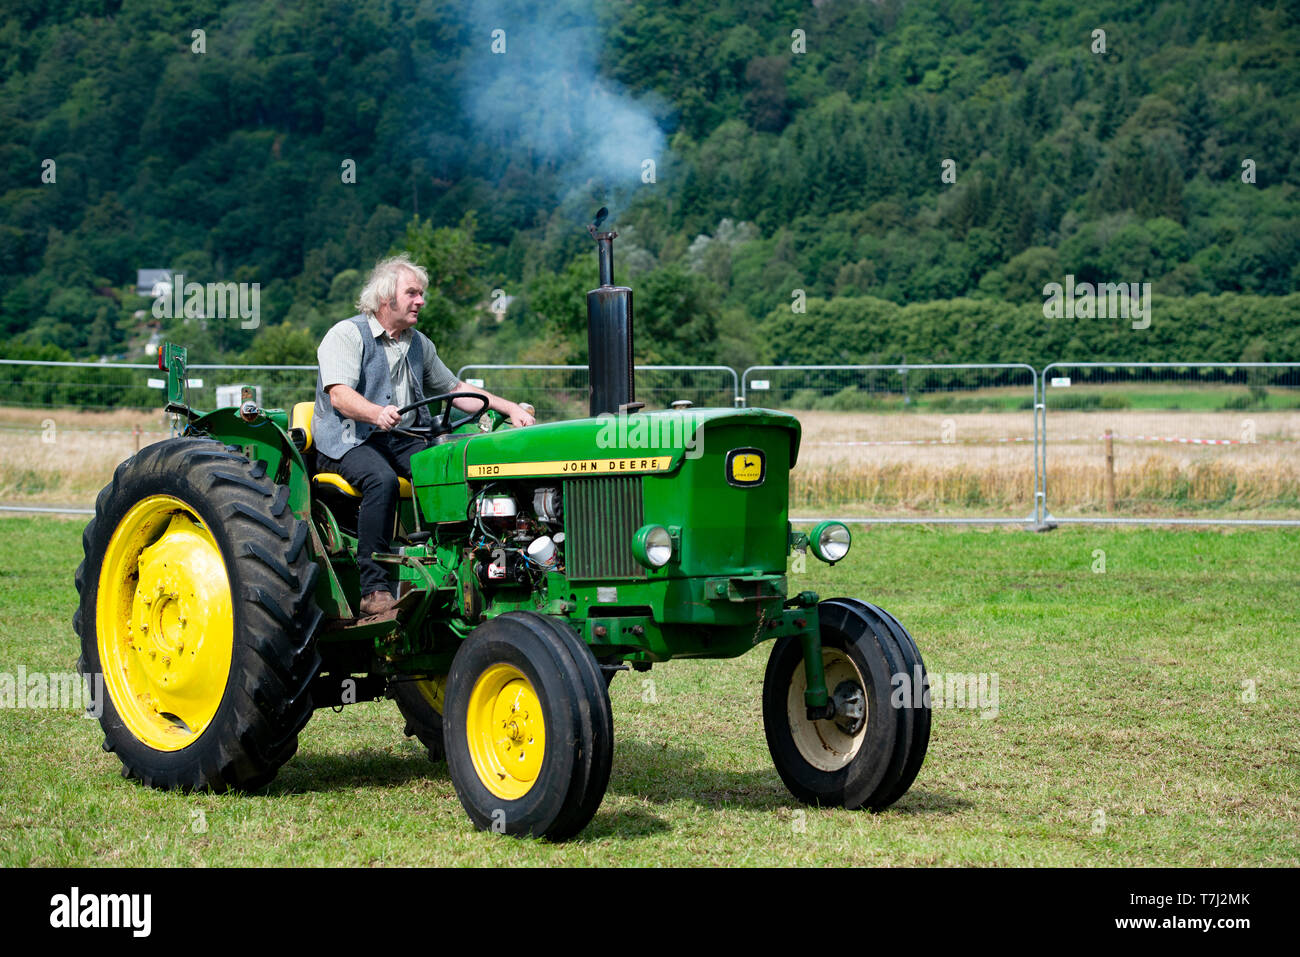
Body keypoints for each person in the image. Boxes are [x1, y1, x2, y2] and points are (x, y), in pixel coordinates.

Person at [313, 253, 535, 619]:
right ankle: (373, 589)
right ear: (387, 299)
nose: (421, 301)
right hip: (349, 438)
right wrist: (375, 412)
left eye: (421, 294)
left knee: (451, 467)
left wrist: (509, 408)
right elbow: (339, 395)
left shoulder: (418, 344)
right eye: (413, 293)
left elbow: (456, 388)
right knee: (380, 480)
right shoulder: (346, 335)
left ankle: (461, 566)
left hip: (399, 436)